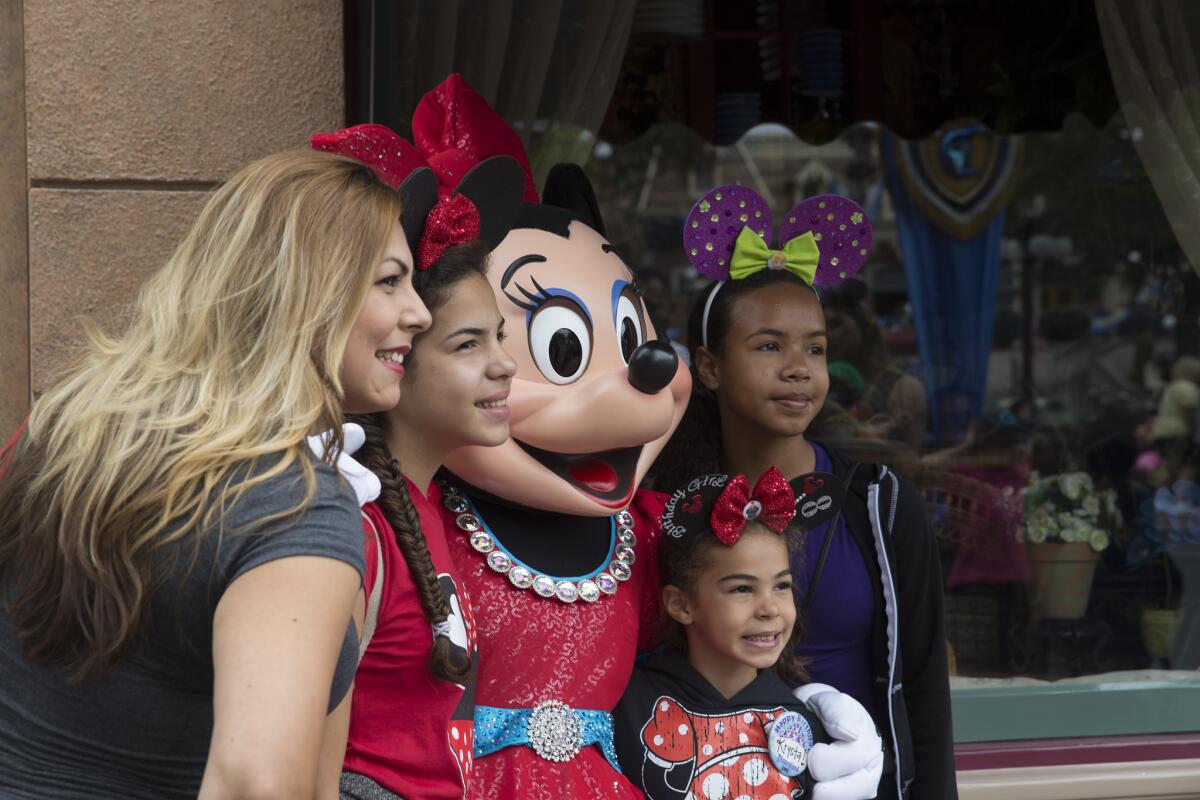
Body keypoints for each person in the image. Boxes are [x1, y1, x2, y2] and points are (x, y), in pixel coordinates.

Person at [0, 149, 432, 799]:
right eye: (390, 282)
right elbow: (257, 783)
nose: (420, 313)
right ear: (307, 291)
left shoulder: (73, 429)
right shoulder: (294, 505)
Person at [652, 185, 956, 800]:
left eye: (814, 348)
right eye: (769, 346)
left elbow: (923, 685)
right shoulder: (669, 507)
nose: (799, 368)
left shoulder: (878, 503)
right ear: (709, 367)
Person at [307, 122, 524, 800]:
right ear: (400, 360)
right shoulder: (353, 526)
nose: (504, 365)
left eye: (501, 338)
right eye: (466, 346)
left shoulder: (434, 509)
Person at [614, 469, 881, 800]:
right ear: (680, 604)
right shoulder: (626, 706)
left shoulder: (808, 726)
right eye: (742, 588)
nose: (770, 608)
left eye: (782, 586)